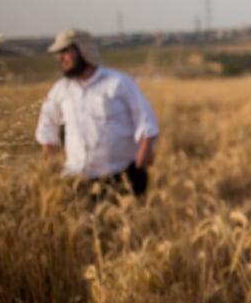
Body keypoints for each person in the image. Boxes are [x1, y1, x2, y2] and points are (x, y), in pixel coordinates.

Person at [35, 28, 160, 198]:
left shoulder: (118, 82)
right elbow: (47, 125)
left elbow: (146, 119)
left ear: (83, 50)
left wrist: (145, 150)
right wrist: (52, 161)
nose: (60, 58)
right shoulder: (61, 90)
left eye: (65, 51)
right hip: (78, 179)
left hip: (122, 176)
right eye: (58, 53)